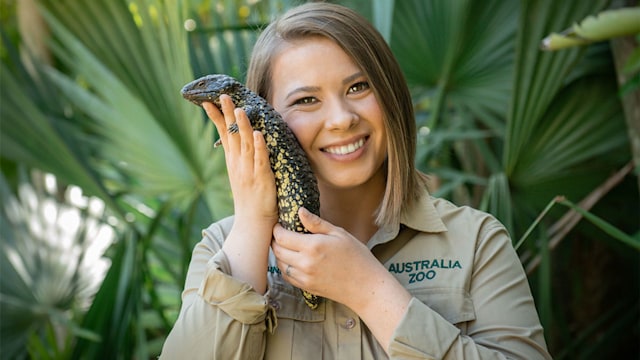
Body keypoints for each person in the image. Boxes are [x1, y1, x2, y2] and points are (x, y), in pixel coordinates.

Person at [160, 2, 552, 359]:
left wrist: (368, 290)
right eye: (306, 100)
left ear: (392, 95)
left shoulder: (475, 241)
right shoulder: (223, 248)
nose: (341, 118)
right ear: (264, 118)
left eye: (358, 87)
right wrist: (251, 225)